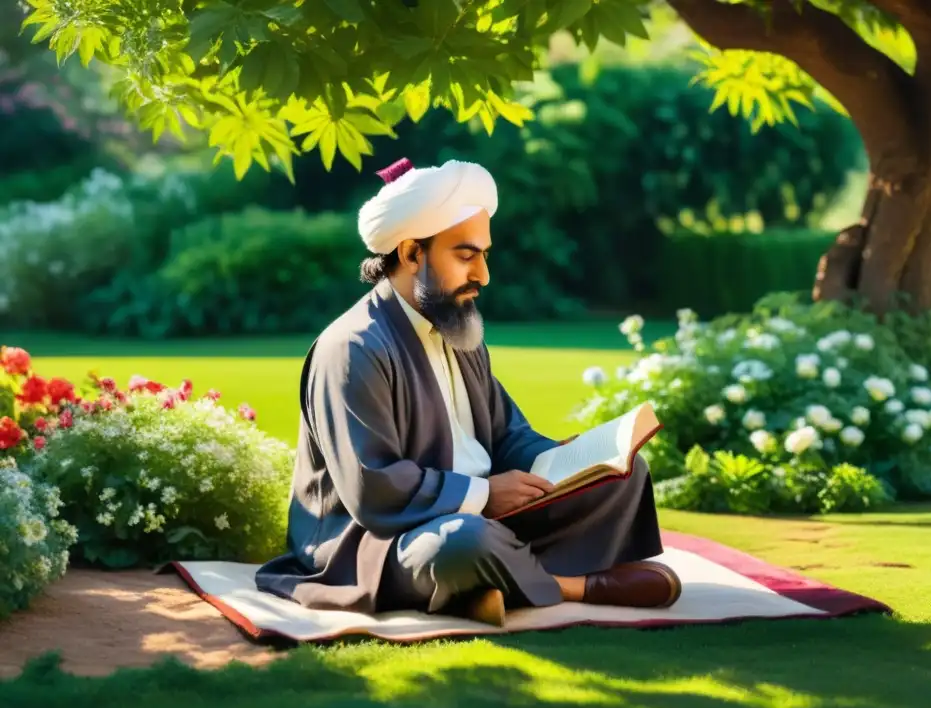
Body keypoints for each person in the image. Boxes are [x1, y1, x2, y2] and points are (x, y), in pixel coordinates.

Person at [254, 157, 681, 626]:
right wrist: (481, 495)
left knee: (624, 474)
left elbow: (505, 434)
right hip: (378, 542)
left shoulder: (456, 327)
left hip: (481, 513)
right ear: (413, 253)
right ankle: (568, 585)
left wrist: (567, 461)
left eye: (484, 254)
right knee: (462, 543)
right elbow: (372, 488)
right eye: (466, 255)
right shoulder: (354, 348)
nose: (483, 275)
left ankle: (492, 584)